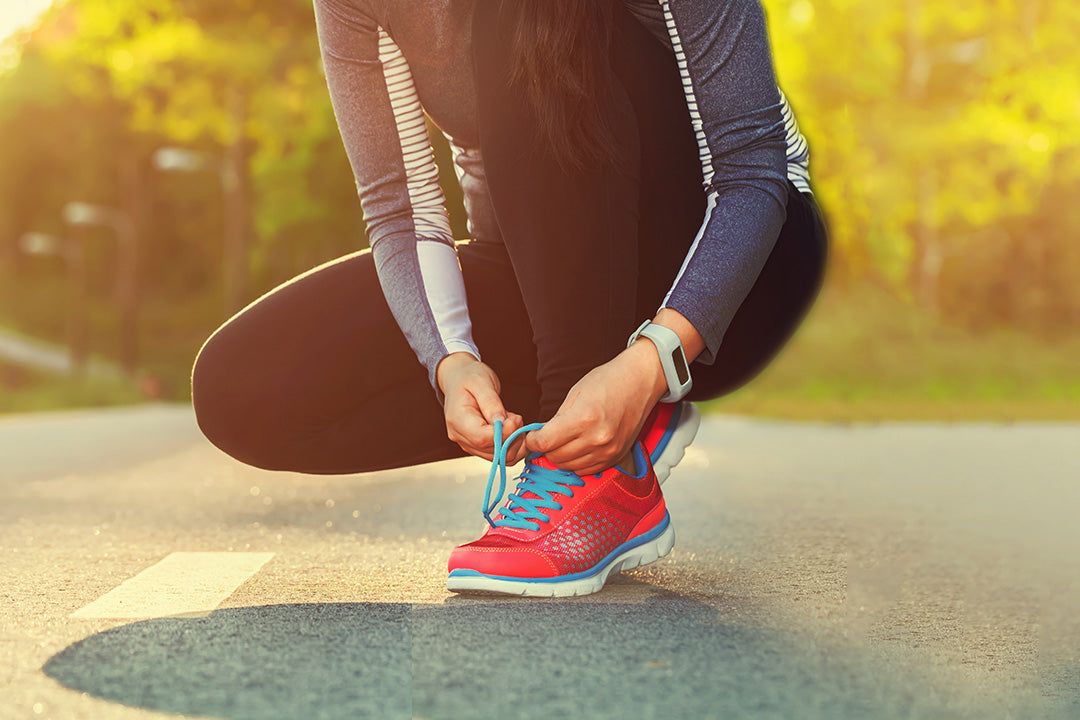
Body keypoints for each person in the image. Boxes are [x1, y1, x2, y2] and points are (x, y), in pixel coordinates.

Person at [191, 0, 828, 597]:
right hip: (554, 274)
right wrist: (451, 361)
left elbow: (752, 170)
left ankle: (594, 478)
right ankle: (596, 421)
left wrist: (652, 361)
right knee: (241, 391)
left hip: (738, 272)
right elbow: (401, 209)